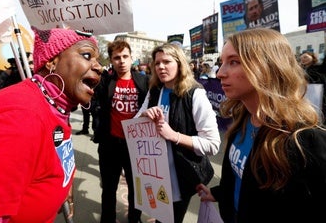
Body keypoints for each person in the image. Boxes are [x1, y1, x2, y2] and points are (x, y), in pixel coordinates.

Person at [0, 27, 102, 222]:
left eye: (98, 60)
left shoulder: (56, 106)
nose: (99, 67)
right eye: (87, 55)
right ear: (52, 61)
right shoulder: (21, 117)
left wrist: (62, 184)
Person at [196, 28, 326, 223]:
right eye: (222, 62)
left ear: (267, 67)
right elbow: (244, 179)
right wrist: (220, 193)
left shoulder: (306, 140)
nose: (221, 73)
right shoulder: (242, 120)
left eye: (233, 62)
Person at [135, 43, 221, 223]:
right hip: (155, 172)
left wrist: (174, 136)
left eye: (166, 61)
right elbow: (135, 122)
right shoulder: (155, 90)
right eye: (157, 63)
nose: (160, 67)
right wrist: (144, 115)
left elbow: (212, 144)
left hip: (181, 177)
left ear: (180, 63)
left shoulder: (195, 94)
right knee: (160, 218)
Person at [94, 40, 149, 223]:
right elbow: (93, 102)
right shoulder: (105, 81)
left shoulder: (144, 81)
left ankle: (135, 219)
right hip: (110, 145)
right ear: (111, 60)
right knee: (109, 188)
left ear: (131, 58)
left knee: (136, 189)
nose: (122, 61)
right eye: (117, 58)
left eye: (125, 56)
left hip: (136, 146)